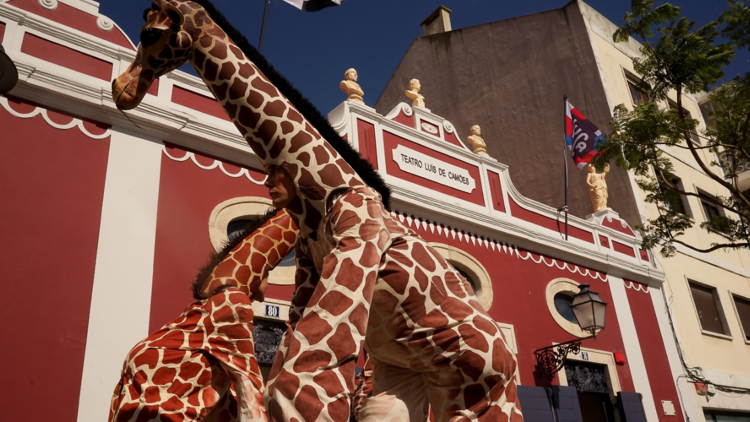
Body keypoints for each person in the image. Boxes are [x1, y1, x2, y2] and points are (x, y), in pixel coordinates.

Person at [108, 210, 298, 422]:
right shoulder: (226, 305)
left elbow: (238, 393)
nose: (267, 287)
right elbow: (249, 387)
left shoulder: (202, 323)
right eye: (267, 272)